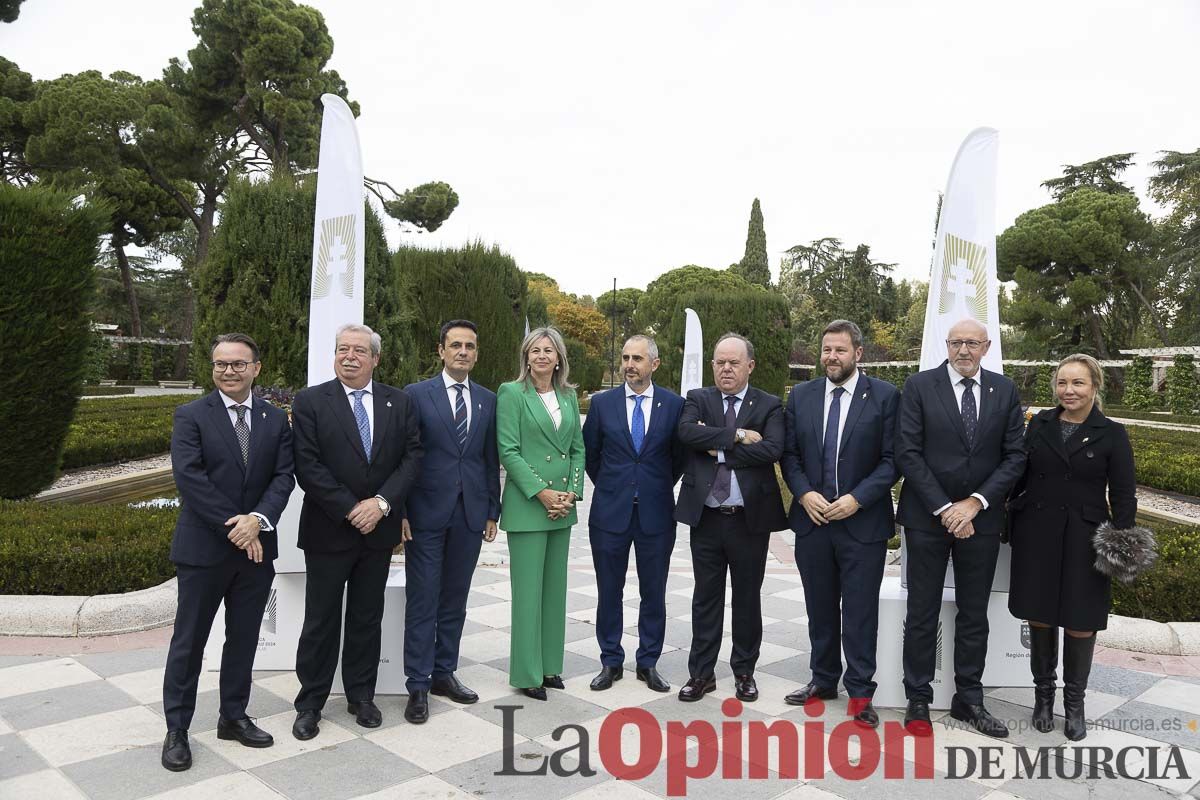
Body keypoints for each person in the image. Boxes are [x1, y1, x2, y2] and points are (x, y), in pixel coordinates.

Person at [161, 333, 295, 771]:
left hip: (256, 552)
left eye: (238, 364)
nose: (229, 371)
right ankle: (177, 728)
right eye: (221, 364)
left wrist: (257, 520)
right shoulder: (191, 416)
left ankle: (233, 716)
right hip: (203, 550)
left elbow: (283, 477)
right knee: (190, 641)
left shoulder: (276, 420)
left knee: (244, 638)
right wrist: (238, 526)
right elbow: (191, 479)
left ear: (256, 368)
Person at [895, 318, 1026, 738]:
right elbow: (908, 452)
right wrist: (945, 508)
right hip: (927, 518)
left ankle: (969, 698)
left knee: (974, 613)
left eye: (972, 343)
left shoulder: (1003, 391)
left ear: (986, 347)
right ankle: (917, 696)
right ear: (946, 346)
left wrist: (974, 504)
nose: (964, 350)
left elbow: (1015, 456)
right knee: (922, 611)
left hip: (981, 520)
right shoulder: (919, 386)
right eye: (956, 343)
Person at [291, 324, 422, 739]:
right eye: (342, 349)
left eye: (359, 351)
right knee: (321, 620)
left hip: (378, 534)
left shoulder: (398, 403)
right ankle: (310, 702)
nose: (349, 356)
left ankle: (361, 696)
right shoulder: (311, 402)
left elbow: (412, 457)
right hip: (329, 530)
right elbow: (307, 466)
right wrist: (352, 508)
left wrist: (381, 504)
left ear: (375, 359)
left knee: (367, 617)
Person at [1008, 354, 1136, 741]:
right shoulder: (1039, 424)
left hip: (1087, 539)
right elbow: (1018, 474)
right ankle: (1043, 697)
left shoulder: (1112, 433)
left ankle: (1074, 703)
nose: (1069, 391)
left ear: (1094, 387)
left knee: (1082, 621)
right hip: (1037, 532)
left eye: (1078, 383)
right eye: (1062, 383)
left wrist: (1121, 545)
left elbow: (1125, 496)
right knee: (1040, 615)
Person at [780, 320, 899, 728]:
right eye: (826, 349)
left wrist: (857, 499)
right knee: (820, 607)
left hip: (862, 525)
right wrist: (803, 493)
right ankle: (823, 679)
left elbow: (893, 460)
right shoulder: (802, 395)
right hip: (813, 521)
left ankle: (861, 692)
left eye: (840, 350)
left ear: (859, 354)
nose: (831, 357)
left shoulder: (884, 397)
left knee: (861, 612)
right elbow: (789, 455)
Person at [674, 333, 788, 703]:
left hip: (748, 519)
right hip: (706, 517)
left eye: (733, 363)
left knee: (746, 598)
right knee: (705, 597)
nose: (725, 368)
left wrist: (716, 448)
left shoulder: (769, 404)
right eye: (719, 362)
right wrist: (738, 436)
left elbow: (772, 449)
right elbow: (687, 434)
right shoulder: (698, 399)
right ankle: (701, 674)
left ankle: (744, 672)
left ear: (749, 366)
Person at [400, 320, 500, 724]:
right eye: (455, 345)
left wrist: (493, 509)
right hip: (424, 514)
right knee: (423, 599)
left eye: (470, 346)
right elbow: (404, 456)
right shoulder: (415, 395)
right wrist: (401, 512)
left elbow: (490, 458)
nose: (463, 352)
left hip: (470, 513)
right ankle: (418, 684)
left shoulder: (488, 400)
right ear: (440, 350)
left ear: (477, 353)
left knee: (455, 599)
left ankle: (445, 672)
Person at [582, 335, 685, 693]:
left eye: (637, 358)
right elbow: (590, 454)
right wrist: (617, 486)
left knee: (653, 591)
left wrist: (650, 486)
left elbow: (679, 458)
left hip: (656, 514)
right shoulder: (602, 404)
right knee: (608, 590)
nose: (629, 365)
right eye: (625, 357)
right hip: (610, 514)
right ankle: (610, 660)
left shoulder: (674, 405)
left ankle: (648, 661)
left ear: (654, 364)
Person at [496, 326, 586, 700]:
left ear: (559, 357)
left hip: (560, 509)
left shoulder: (568, 396)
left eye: (549, 350)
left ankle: (551, 667)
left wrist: (572, 493)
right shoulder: (511, 393)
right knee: (528, 594)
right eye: (535, 350)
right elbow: (508, 450)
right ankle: (527, 672)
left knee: (554, 592)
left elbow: (578, 450)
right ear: (526, 357)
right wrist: (543, 493)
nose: (542, 356)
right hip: (529, 506)